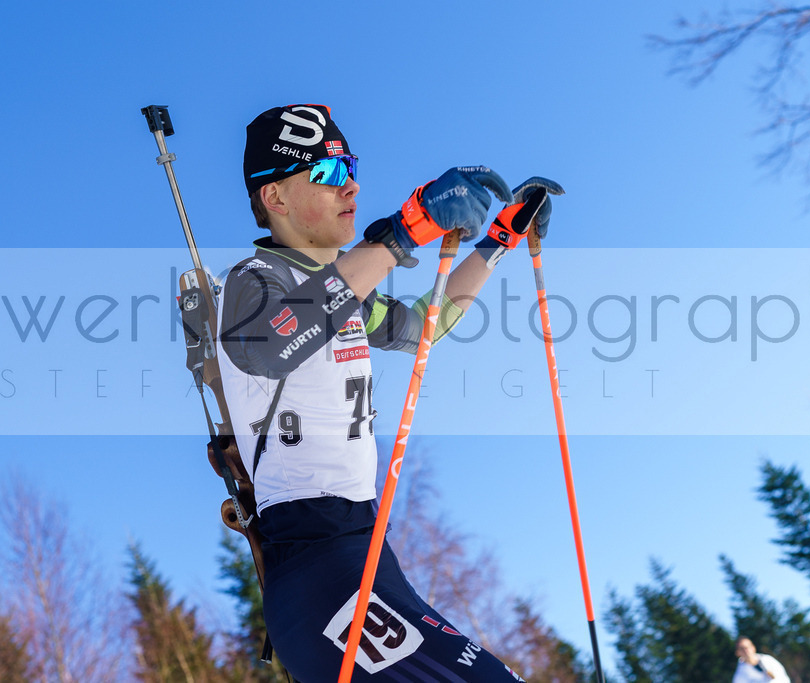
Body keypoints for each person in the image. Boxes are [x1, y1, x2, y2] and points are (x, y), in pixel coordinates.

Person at [216, 103, 560, 681]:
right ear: (274, 199)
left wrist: (499, 240)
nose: (349, 185)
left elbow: (430, 322)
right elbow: (268, 346)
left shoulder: (343, 294)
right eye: (326, 174)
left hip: (364, 551)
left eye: (349, 166)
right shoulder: (253, 281)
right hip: (313, 564)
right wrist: (404, 232)